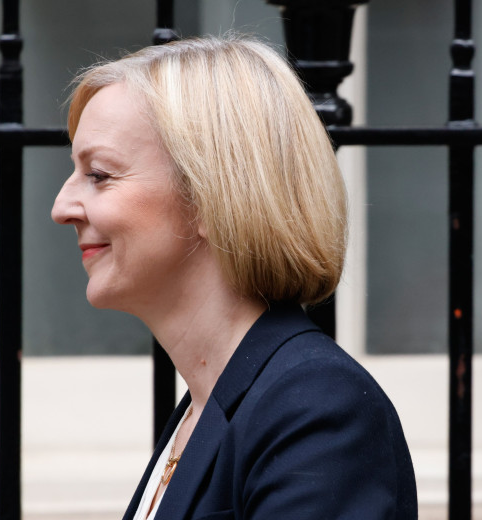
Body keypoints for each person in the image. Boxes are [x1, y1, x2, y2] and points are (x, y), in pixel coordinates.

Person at [52, 36, 417, 520]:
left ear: (210, 195)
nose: (61, 208)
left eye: (99, 174)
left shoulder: (317, 412)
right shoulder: (208, 406)